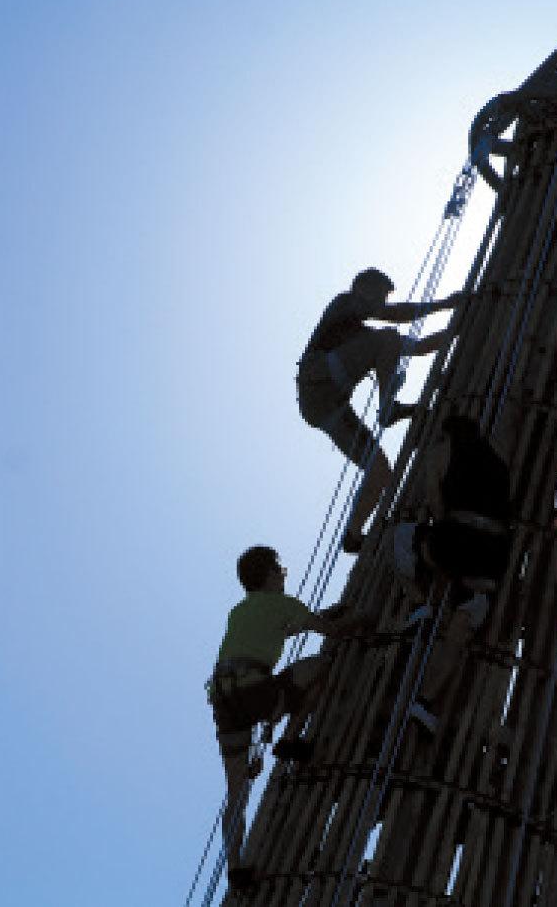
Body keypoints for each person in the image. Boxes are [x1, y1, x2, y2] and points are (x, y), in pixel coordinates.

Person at [208, 545, 367, 892]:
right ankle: (290, 737)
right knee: (319, 669)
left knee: (236, 791)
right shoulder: (284, 603)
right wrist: (359, 619)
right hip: (255, 690)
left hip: (223, 697)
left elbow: (278, 631)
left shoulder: (240, 611)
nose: (284, 574)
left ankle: (236, 869)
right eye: (280, 570)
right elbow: (332, 633)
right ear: (268, 574)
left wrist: (319, 615)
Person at [297, 268, 462, 554]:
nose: (383, 302)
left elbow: (420, 346)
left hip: (328, 408)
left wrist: (458, 328)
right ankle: (388, 408)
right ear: (362, 287)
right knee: (389, 337)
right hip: (318, 376)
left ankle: (353, 533)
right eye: (381, 294)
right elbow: (395, 316)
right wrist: (444, 304)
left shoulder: (363, 338)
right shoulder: (344, 301)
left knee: (380, 472)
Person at [388, 414, 512, 733]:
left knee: (402, 536)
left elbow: (434, 498)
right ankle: (426, 702)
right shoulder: (499, 463)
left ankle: (421, 604)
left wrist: (442, 529)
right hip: (491, 555)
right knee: (462, 626)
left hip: (455, 540)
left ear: (446, 434)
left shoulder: (441, 451)